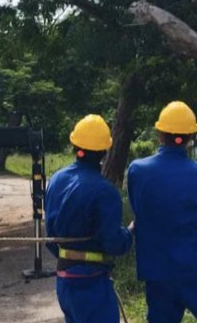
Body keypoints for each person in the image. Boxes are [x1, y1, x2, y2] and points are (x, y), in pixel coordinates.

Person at [126, 101, 197, 323]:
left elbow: (139, 208)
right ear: (191, 137)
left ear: (159, 133)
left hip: (157, 271)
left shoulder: (138, 170)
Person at [45, 114, 133, 323]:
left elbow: (51, 236)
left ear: (75, 145)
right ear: (104, 152)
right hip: (92, 283)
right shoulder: (106, 192)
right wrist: (129, 233)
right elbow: (112, 242)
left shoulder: (57, 180)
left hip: (64, 280)